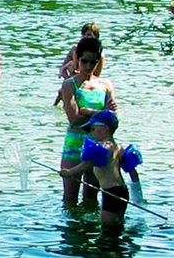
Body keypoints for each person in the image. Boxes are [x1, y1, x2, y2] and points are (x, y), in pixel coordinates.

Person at [58, 37, 117, 207]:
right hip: (75, 144)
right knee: (70, 199)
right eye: (84, 61)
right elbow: (74, 118)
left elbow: (112, 121)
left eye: (93, 62)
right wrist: (101, 113)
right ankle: (72, 230)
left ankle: (90, 231)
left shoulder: (105, 85)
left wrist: (87, 112)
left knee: (91, 199)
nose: (89, 67)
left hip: (97, 145)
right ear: (77, 58)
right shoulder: (70, 85)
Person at [59, 110, 137, 233]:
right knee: (118, 224)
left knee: (107, 228)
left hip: (110, 192)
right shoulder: (119, 148)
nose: (91, 133)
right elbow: (132, 172)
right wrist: (138, 194)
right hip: (122, 191)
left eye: (93, 129)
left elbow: (87, 164)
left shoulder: (103, 148)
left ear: (105, 128)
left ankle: (107, 249)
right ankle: (119, 248)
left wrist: (69, 172)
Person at [53, 22, 106, 106]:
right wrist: (69, 79)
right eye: (84, 34)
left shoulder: (99, 55)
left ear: (96, 37)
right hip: (72, 80)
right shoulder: (75, 49)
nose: (86, 37)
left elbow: (96, 75)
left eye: (89, 35)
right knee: (61, 93)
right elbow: (63, 68)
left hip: (85, 83)